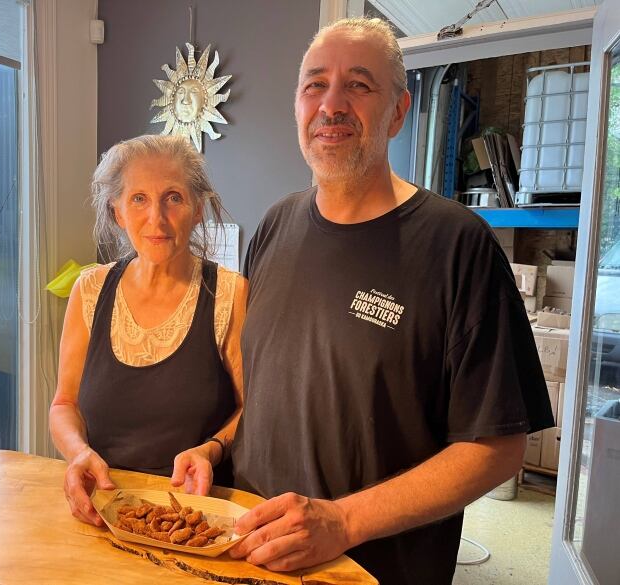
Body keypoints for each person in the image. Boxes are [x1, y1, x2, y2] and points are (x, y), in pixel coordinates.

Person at [228, 17, 554, 584]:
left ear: (398, 112)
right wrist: (214, 450)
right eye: (314, 85)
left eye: (358, 85)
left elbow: (498, 445)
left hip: (373, 570)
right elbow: (269, 389)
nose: (331, 105)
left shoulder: (459, 246)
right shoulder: (274, 225)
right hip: (252, 551)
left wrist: (342, 521)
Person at [50, 134, 247, 527]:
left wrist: (210, 451)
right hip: (101, 510)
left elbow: (250, 409)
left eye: (173, 197)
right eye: (138, 198)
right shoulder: (89, 290)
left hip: (196, 521)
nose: (156, 218)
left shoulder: (229, 293)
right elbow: (64, 405)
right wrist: (77, 452)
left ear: (197, 210)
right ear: (118, 211)